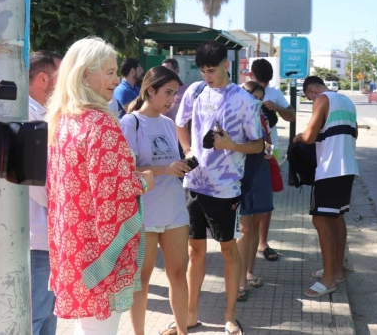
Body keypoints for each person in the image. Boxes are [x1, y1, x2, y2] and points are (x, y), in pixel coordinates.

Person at [45, 37, 155, 335]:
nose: (116, 79)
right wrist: (142, 182)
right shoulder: (100, 124)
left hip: (73, 248)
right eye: (108, 72)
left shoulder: (63, 121)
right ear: (84, 75)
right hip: (100, 256)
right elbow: (114, 196)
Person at [176, 41, 263, 335]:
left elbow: (259, 145)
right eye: (202, 70)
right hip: (194, 184)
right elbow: (180, 123)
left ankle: (229, 315)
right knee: (195, 251)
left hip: (226, 188)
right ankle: (190, 315)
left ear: (226, 64)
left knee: (228, 251)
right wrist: (188, 149)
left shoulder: (245, 101)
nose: (206, 76)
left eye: (211, 70)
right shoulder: (195, 91)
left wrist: (230, 145)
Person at [120, 66, 193, 335]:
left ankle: (183, 331)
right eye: (168, 93)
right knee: (142, 279)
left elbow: (170, 161)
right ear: (151, 90)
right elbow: (124, 169)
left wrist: (183, 165)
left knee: (177, 275)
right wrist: (165, 169)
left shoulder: (167, 123)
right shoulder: (130, 122)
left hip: (174, 208)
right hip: (145, 211)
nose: (172, 100)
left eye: (174, 94)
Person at [293, 76, 359, 298]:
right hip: (348, 167)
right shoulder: (347, 101)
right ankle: (336, 270)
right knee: (336, 218)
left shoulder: (321, 99)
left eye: (308, 98)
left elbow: (310, 136)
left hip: (330, 169)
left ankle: (329, 278)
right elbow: (354, 133)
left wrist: (297, 138)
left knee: (320, 219)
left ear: (311, 91)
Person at [28, 50, 62, 335]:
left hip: (46, 236)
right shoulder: (30, 117)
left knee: (48, 316)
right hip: (37, 238)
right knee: (38, 318)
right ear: (43, 79)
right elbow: (39, 184)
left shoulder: (41, 115)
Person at [250, 59, 296, 262]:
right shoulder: (241, 90)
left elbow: (292, 116)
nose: (263, 86)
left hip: (269, 148)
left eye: (265, 82)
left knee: (266, 197)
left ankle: (262, 242)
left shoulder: (275, 92)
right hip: (245, 149)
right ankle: (250, 241)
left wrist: (276, 107)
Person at [236, 81, 274, 302]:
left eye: (260, 97)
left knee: (256, 224)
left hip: (259, 171)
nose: (257, 102)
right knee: (244, 228)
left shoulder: (263, 116)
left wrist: (268, 148)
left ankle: (249, 272)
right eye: (254, 97)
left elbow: (266, 141)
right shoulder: (235, 115)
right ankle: (240, 280)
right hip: (240, 174)